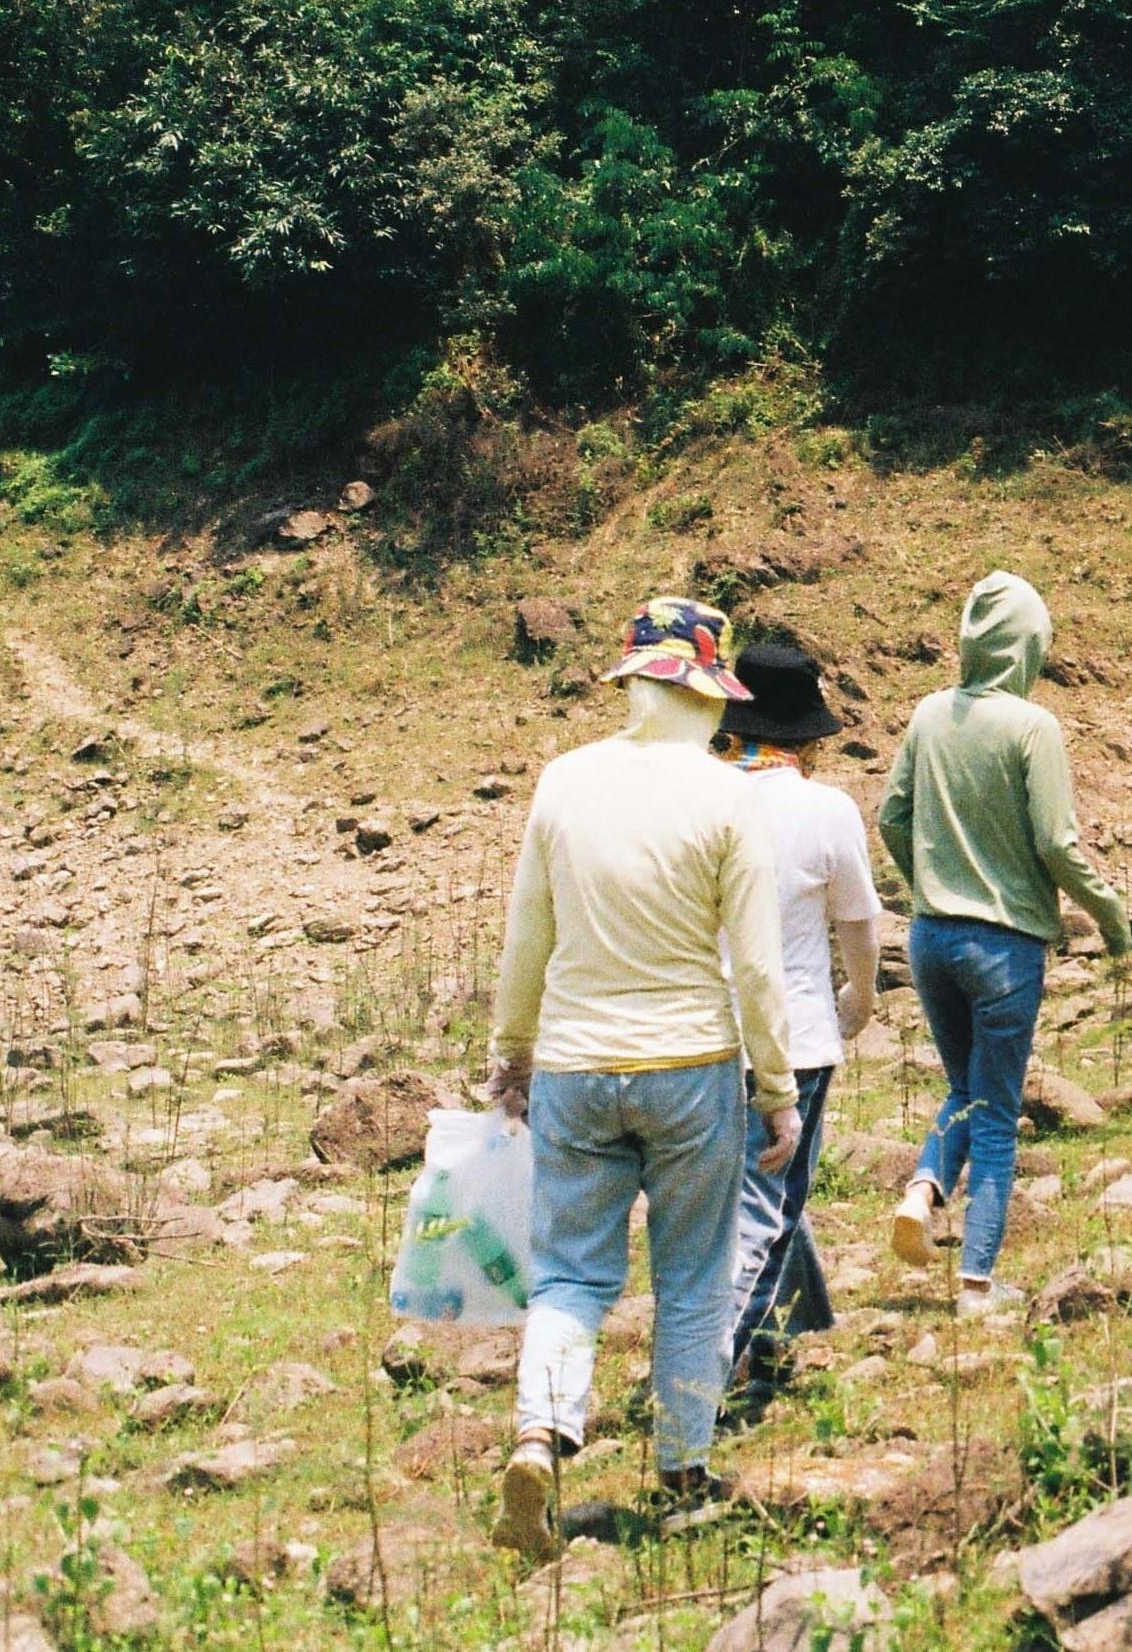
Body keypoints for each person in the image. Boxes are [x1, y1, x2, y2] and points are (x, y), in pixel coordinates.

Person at [488, 599, 799, 1561]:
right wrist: (777, 1087)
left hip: (576, 1068)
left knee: (572, 1272)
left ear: (633, 682)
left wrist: (512, 1050)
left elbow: (527, 931)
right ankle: (682, 1472)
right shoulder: (727, 795)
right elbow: (753, 964)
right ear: (701, 691)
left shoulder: (562, 780)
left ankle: (539, 1433)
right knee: (695, 1277)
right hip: (689, 1066)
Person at [878, 571, 1132, 1320]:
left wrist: (931, 877)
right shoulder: (1033, 726)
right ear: (1027, 645)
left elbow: (892, 817)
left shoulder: (927, 715)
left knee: (964, 1089)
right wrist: (1109, 913)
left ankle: (922, 1190)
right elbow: (1057, 840)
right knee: (996, 1113)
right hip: (1004, 947)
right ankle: (977, 1285)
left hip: (930, 939)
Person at [708, 638, 879, 1418]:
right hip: (797, 1031)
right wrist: (862, 996)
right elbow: (857, 922)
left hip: (702, 1032)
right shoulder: (825, 808)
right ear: (806, 737)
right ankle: (703, 1379)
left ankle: (788, 1336)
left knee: (748, 1195)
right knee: (766, 1207)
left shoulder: (701, 795)